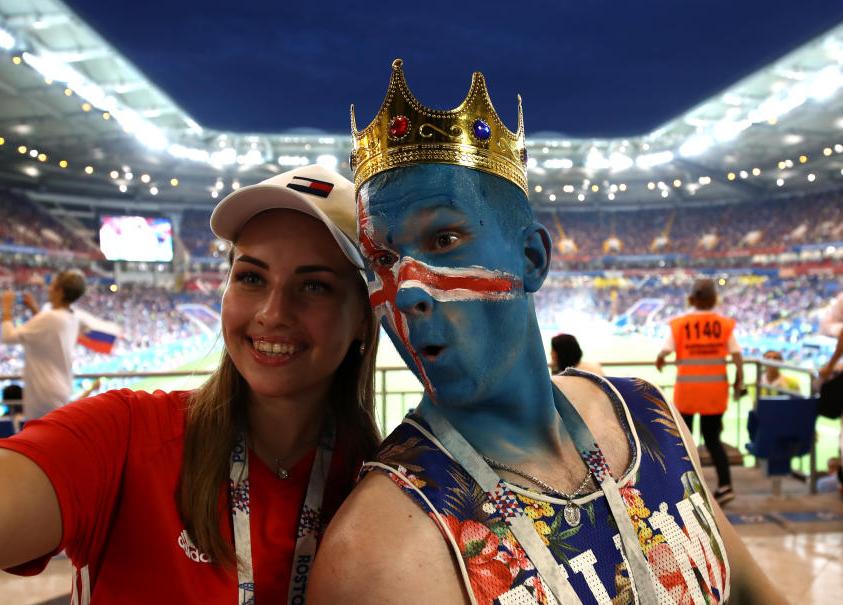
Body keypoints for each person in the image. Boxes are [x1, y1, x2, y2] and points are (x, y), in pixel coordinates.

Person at [308, 60, 785, 604]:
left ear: (532, 257)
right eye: (384, 260)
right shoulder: (377, 550)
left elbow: (750, 591)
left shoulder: (652, 420)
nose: (407, 290)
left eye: (443, 240)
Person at [0, 164, 380, 603]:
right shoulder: (122, 438)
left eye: (315, 285)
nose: (273, 313)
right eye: (251, 277)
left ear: (364, 315)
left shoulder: (386, 483)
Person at [655, 278, 744, 505]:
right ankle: (725, 486)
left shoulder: (679, 324)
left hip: (687, 392)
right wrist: (738, 380)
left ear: (691, 298)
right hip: (715, 393)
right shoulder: (723, 325)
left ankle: (685, 489)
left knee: (685, 442)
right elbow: (736, 355)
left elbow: (665, 351)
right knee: (713, 440)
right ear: (714, 299)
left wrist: (661, 360)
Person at [0, 269, 87, 420]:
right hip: (60, 388)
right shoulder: (71, 317)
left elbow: (8, 337)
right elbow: (49, 330)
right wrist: (34, 309)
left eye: (52, 286)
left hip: (43, 393)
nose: (49, 289)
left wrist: (6, 308)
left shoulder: (49, 317)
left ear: (60, 291)